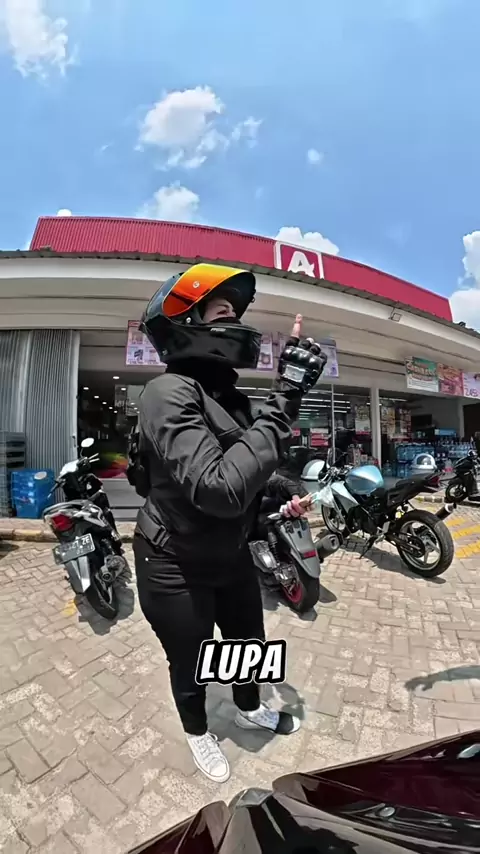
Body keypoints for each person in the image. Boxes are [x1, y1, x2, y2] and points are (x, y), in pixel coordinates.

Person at [131, 262, 326, 783]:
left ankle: (248, 707)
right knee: (191, 657)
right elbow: (218, 489)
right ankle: (198, 732)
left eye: (238, 314)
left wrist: (279, 500)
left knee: (247, 643)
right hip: (173, 561)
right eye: (223, 313)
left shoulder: (233, 401)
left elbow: (247, 477)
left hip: (230, 555)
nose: (236, 322)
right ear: (186, 321)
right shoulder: (167, 393)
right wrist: (286, 395)